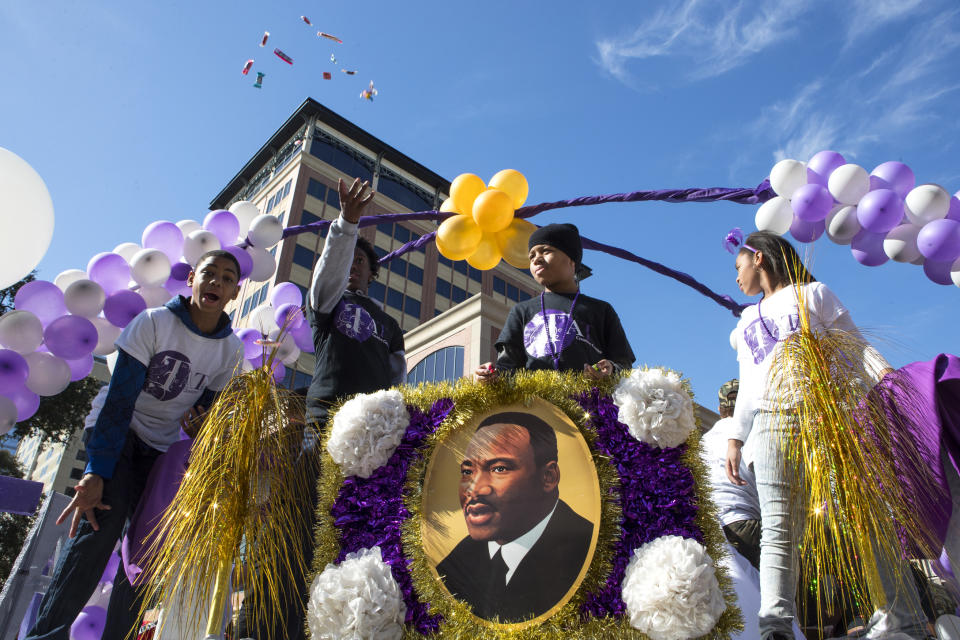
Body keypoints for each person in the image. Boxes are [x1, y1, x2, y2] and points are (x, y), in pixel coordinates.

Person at [25, 250, 243, 640]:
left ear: (235, 292)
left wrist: (200, 430)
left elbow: (205, 419)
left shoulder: (230, 351)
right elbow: (119, 402)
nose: (216, 283)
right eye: (209, 274)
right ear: (192, 278)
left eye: (227, 278)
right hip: (117, 431)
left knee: (145, 552)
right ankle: (46, 635)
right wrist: (96, 470)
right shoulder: (154, 322)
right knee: (101, 524)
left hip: (160, 448)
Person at [723, 230, 927, 640]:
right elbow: (749, 384)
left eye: (738, 265)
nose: (736, 276)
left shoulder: (813, 295)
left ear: (759, 258)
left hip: (829, 418)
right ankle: (775, 626)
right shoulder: (746, 320)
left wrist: (893, 385)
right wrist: (735, 436)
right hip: (770, 425)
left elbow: (857, 349)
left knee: (866, 517)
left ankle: (905, 620)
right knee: (780, 528)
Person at [236, 177, 405, 640]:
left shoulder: (390, 325)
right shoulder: (326, 305)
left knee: (357, 537)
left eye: (360, 263)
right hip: (321, 427)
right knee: (294, 532)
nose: (351, 268)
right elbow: (329, 272)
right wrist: (347, 224)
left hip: (373, 447)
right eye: (345, 261)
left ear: (373, 273)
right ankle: (263, 627)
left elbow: (396, 385)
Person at [435, 411, 594, 623]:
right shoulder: (455, 564)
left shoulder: (587, 552)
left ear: (548, 477)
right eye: (467, 472)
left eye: (499, 468)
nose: (474, 489)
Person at [476, 222, 634, 381]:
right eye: (531, 256)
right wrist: (490, 376)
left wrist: (611, 370)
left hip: (591, 402)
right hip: (535, 404)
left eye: (546, 251)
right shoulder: (521, 311)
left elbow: (624, 364)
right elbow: (507, 366)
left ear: (572, 261)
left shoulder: (601, 310)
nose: (536, 259)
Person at [700, 378, 762, 570]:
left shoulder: (703, 441)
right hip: (750, 526)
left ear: (719, 410)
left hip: (716, 532)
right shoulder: (753, 432)